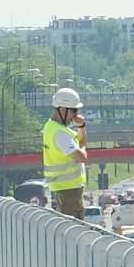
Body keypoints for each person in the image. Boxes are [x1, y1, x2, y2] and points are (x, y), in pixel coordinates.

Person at [43, 88, 88, 219]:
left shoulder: (54, 127)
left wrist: (81, 127)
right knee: (75, 229)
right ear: (62, 109)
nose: (75, 115)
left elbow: (81, 141)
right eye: (73, 110)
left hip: (64, 188)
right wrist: (83, 147)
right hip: (68, 190)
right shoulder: (60, 134)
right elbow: (82, 157)